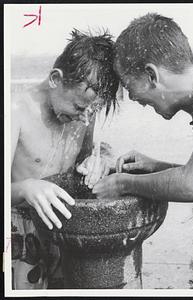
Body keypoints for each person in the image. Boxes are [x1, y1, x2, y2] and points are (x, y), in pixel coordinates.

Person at [11, 29, 118, 289]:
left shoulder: (82, 115)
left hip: (63, 226)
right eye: (80, 108)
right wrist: (25, 187)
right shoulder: (15, 113)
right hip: (19, 230)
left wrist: (99, 160)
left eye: (91, 111)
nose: (84, 118)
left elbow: (85, 157)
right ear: (55, 79)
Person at [92, 13, 193, 204]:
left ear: (151, 75)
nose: (133, 98)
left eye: (128, 87)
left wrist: (123, 183)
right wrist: (154, 166)